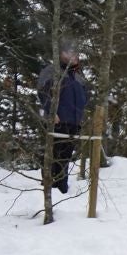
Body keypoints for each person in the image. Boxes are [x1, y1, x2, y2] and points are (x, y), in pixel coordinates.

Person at [36, 45, 90, 195]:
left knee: (66, 156)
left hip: (73, 122)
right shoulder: (52, 71)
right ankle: (50, 188)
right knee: (53, 155)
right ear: (62, 54)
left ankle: (62, 188)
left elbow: (86, 97)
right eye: (70, 52)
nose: (74, 56)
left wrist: (80, 115)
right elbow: (43, 92)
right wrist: (51, 112)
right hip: (57, 121)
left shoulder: (79, 76)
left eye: (76, 54)